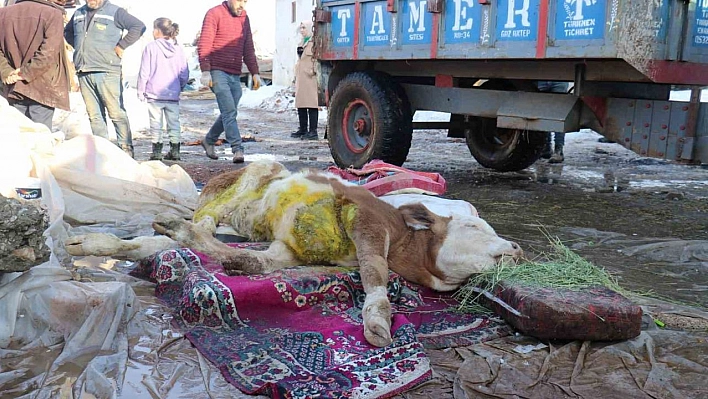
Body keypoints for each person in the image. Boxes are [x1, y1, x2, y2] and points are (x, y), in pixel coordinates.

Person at [64, 0, 145, 158]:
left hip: (107, 70)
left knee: (116, 112)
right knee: (94, 116)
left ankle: (126, 150)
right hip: (84, 70)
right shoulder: (78, 13)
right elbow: (67, 33)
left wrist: (122, 45)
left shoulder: (115, 12)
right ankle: (103, 152)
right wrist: (82, 49)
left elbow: (139, 26)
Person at [198, 0, 262, 164]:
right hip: (217, 71)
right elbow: (205, 42)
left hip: (234, 73)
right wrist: (206, 70)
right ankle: (237, 149)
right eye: (239, 0)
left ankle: (209, 140)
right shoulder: (214, 13)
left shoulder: (244, 17)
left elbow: (248, 47)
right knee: (229, 112)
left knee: (229, 111)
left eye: (245, 1)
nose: (242, 5)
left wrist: (255, 72)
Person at [0, 0, 71, 130]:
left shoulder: (3, 13)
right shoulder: (53, 14)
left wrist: (7, 72)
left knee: (19, 135)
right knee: (40, 139)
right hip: (42, 87)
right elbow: (48, 53)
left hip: (13, 86)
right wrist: (23, 73)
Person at [137, 18, 189, 161]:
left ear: (158, 31)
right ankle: (175, 150)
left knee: (156, 123)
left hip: (155, 94)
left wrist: (141, 90)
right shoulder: (178, 49)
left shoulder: (151, 47)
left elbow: (144, 71)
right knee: (174, 123)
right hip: (173, 94)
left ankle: (157, 152)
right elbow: (184, 72)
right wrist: (180, 86)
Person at [291, 21, 319, 141]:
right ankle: (303, 129)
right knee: (301, 104)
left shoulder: (314, 43)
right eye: (301, 28)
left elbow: (317, 60)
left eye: (304, 28)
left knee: (312, 104)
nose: (302, 30)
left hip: (310, 78)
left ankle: (313, 131)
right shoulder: (301, 43)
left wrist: (313, 71)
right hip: (301, 77)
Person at [537, 81, 569, 163]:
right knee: (544, 113)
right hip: (545, 78)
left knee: (558, 115)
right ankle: (549, 148)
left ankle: (557, 149)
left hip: (555, 78)